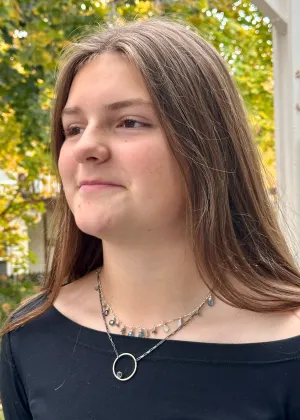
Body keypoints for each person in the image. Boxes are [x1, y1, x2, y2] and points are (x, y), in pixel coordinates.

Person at [1, 17, 300, 420]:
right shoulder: (28, 336)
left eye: (129, 122)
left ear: (208, 146)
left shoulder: (289, 348)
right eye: (73, 128)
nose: (86, 146)